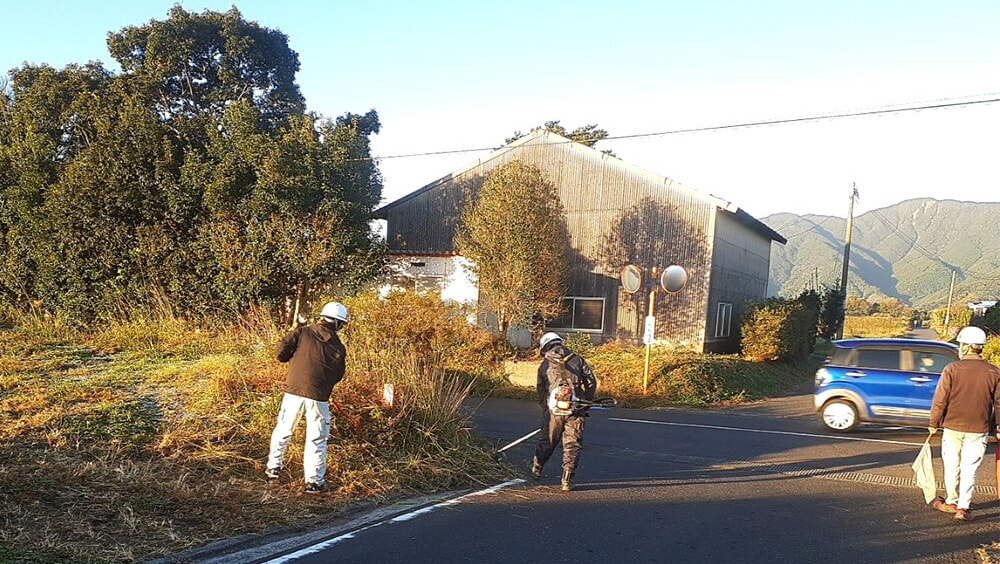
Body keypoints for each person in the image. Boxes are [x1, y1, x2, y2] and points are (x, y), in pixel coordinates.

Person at [265, 302, 348, 494]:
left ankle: (273, 469)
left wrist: (290, 359)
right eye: (342, 324)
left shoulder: (302, 333)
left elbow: (281, 351)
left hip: (293, 392)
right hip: (319, 397)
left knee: (284, 430)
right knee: (317, 439)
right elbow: (338, 375)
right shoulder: (338, 347)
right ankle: (314, 482)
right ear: (336, 323)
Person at [927, 326, 1000, 521]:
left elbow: (940, 399)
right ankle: (963, 507)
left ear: (966, 347)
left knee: (951, 465)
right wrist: (999, 426)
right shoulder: (994, 371)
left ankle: (951, 500)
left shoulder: (951, 369)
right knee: (971, 468)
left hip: (952, 426)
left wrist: (934, 422)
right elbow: (999, 403)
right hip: (979, 428)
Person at [531, 332, 598, 491]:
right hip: (576, 407)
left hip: (554, 410)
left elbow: (541, 389)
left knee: (548, 441)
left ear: (545, 347)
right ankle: (567, 479)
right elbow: (591, 382)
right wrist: (586, 402)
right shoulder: (578, 359)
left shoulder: (544, 365)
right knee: (572, 444)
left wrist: (545, 407)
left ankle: (537, 468)